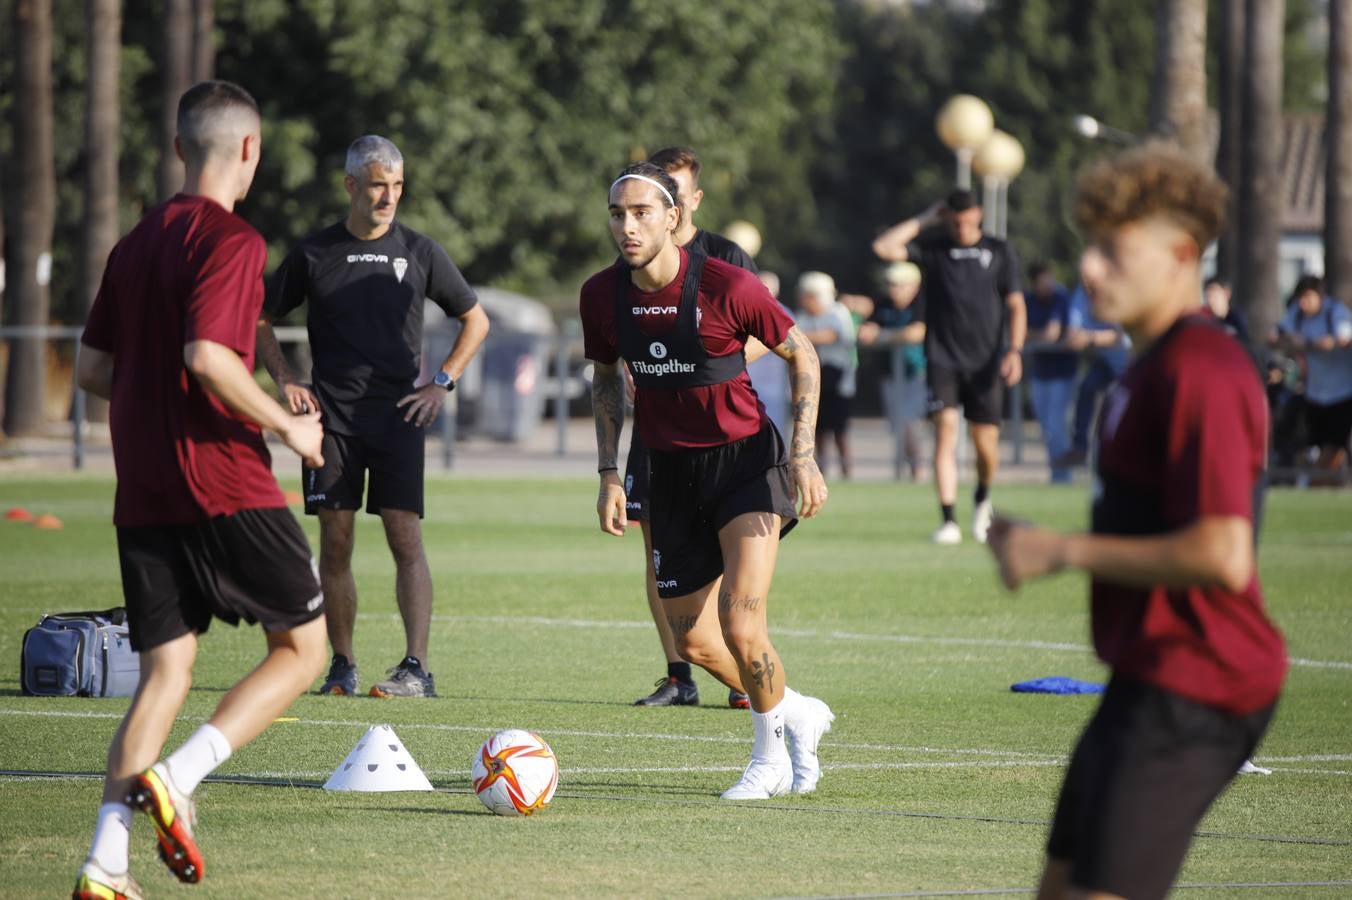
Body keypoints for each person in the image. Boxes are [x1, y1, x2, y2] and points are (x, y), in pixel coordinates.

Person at [986, 143, 1286, 900]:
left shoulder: (1204, 371)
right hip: (1145, 674)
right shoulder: (1143, 369)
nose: (1090, 268)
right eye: (1089, 247)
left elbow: (1223, 552)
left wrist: (1060, 549)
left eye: (1114, 251)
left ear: (1182, 255)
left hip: (1202, 681)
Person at [72, 80, 329, 899]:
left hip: (140, 485)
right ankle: (180, 778)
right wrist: (288, 428)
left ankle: (105, 863)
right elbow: (210, 358)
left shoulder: (134, 245)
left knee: (166, 671)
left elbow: (90, 372)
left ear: (181, 148)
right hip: (221, 479)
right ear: (249, 151)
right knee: (302, 648)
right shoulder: (234, 241)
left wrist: (155, 409)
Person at [581, 162, 835, 799]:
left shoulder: (728, 285)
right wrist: (610, 472)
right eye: (617, 213)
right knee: (693, 641)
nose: (628, 225)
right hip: (667, 471)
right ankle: (794, 711)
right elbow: (607, 378)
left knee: (742, 623)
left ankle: (767, 760)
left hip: (747, 463)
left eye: (641, 212)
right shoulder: (600, 295)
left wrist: (802, 455)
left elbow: (802, 352)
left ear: (673, 218)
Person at [256, 135, 490, 699]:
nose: (389, 196)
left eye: (398, 185)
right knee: (335, 542)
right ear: (352, 185)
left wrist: (440, 385)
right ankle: (342, 663)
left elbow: (475, 320)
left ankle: (417, 668)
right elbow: (258, 317)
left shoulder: (420, 251)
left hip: (398, 418)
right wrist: (286, 380)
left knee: (403, 537)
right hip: (329, 421)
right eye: (379, 184)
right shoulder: (314, 254)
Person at [627, 146, 761, 709]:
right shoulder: (628, 269)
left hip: (722, 434)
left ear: (692, 198)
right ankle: (679, 675)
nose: (667, 202)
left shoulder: (725, 258)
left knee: (735, 564)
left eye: (676, 191)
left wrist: (699, 368)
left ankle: (744, 668)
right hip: (658, 436)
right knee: (658, 550)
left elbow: (765, 332)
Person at [872, 188, 1026, 544]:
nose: (960, 226)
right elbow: (884, 248)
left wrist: (1014, 350)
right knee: (945, 433)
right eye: (954, 220)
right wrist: (927, 218)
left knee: (985, 444)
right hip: (942, 357)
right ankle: (949, 520)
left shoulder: (1000, 251)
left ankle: (983, 495)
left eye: (966, 219)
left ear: (979, 216)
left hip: (986, 361)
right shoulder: (935, 249)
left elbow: (1016, 304)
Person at [1273, 275, 1352, 479]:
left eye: (1308, 297)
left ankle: (1326, 482)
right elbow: (1277, 337)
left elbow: (1342, 340)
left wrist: (1313, 344)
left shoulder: (1334, 312)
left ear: (1320, 297)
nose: (1304, 303)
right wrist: (1302, 343)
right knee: (1314, 445)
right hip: (1315, 392)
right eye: (1301, 298)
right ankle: (1318, 481)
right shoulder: (1297, 314)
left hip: (1341, 392)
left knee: (1336, 446)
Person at [1054, 284, 1131, 469]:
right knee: (1087, 387)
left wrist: (1089, 338)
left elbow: (1119, 336)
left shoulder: (1118, 289)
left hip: (1131, 361)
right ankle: (1080, 448)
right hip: (1106, 361)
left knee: (1121, 405)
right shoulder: (1082, 293)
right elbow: (1073, 332)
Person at [794, 271, 858, 479]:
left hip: (838, 379)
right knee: (817, 430)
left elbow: (833, 335)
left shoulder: (837, 312)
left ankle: (846, 470)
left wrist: (804, 338)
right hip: (814, 380)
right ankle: (820, 470)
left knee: (840, 430)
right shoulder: (802, 316)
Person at [1023, 263, 1076, 483]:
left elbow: (1051, 334)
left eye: (1050, 279)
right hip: (1040, 373)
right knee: (1046, 428)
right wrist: (1036, 334)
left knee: (1057, 427)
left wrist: (1033, 334)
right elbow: (1019, 330)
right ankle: (1057, 473)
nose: (1048, 284)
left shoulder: (1061, 298)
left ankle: (1062, 477)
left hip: (1062, 374)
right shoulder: (1028, 300)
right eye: (1043, 280)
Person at [749, 270, 793, 438]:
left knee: (777, 433)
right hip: (748, 384)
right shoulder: (744, 308)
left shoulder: (785, 313)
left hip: (777, 388)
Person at [1203, 275, 1250, 345]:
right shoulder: (1205, 321)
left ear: (1226, 294)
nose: (1211, 301)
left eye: (1215, 296)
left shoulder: (1237, 319)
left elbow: (1244, 344)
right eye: (1208, 296)